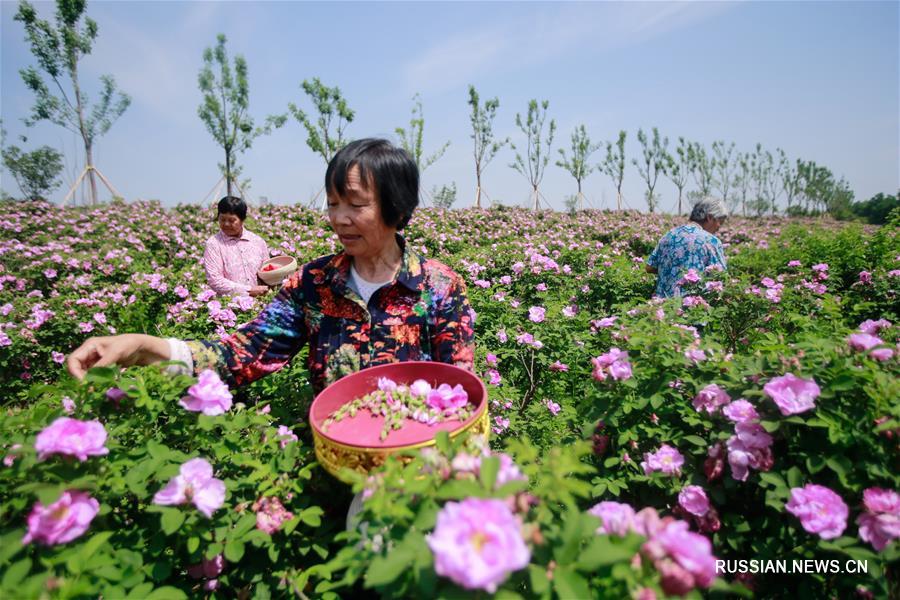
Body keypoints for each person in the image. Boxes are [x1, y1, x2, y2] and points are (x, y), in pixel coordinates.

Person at [67, 138, 476, 398]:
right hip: (334, 466)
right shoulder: (313, 285)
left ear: (398, 208)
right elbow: (241, 353)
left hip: (416, 474)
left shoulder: (438, 288)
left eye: (355, 204)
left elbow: (461, 391)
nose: (339, 218)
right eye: (333, 203)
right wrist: (143, 346)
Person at [645, 197, 728, 297]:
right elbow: (721, 277)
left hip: (661, 306)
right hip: (691, 308)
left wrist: (673, 269)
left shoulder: (669, 235)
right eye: (720, 222)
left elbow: (649, 267)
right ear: (709, 217)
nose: (719, 227)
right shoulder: (711, 241)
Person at [204, 196, 271, 297]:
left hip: (261, 303)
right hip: (229, 307)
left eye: (231, 221)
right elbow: (215, 280)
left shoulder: (257, 242)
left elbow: (267, 272)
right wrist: (248, 291)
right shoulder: (214, 244)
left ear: (242, 219)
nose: (226, 224)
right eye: (222, 219)